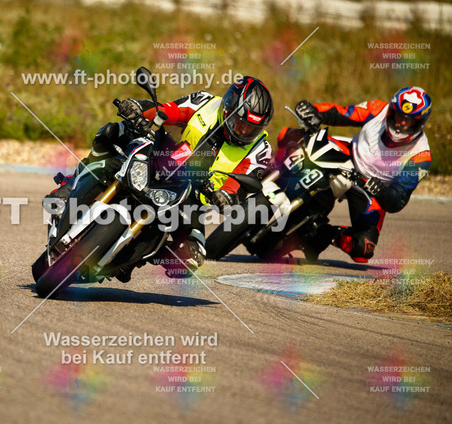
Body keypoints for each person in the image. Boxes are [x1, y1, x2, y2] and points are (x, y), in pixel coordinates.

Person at [46, 76, 274, 276]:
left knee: (191, 259)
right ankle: (70, 185)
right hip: (165, 160)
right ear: (227, 109)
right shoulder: (205, 103)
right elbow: (167, 111)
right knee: (113, 131)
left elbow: (238, 185)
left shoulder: (260, 150)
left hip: (193, 200)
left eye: (251, 128)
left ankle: (135, 257)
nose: (244, 131)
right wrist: (138, 109)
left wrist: (225, 196)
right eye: (240, 123)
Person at [285, 86, 432, 262]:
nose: (401, 123)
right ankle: (270, 182)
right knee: (294, 137)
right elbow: (342, 113)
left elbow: (398, 200)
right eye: (399, 116)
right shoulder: (377, 109)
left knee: (363, 249)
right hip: (347, 156)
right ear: (391, 111)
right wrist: (314, 112)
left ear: (420, 123)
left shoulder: (421, 156)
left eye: (410, 121)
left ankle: (323, 233)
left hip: (370, 189)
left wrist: (380, 191)